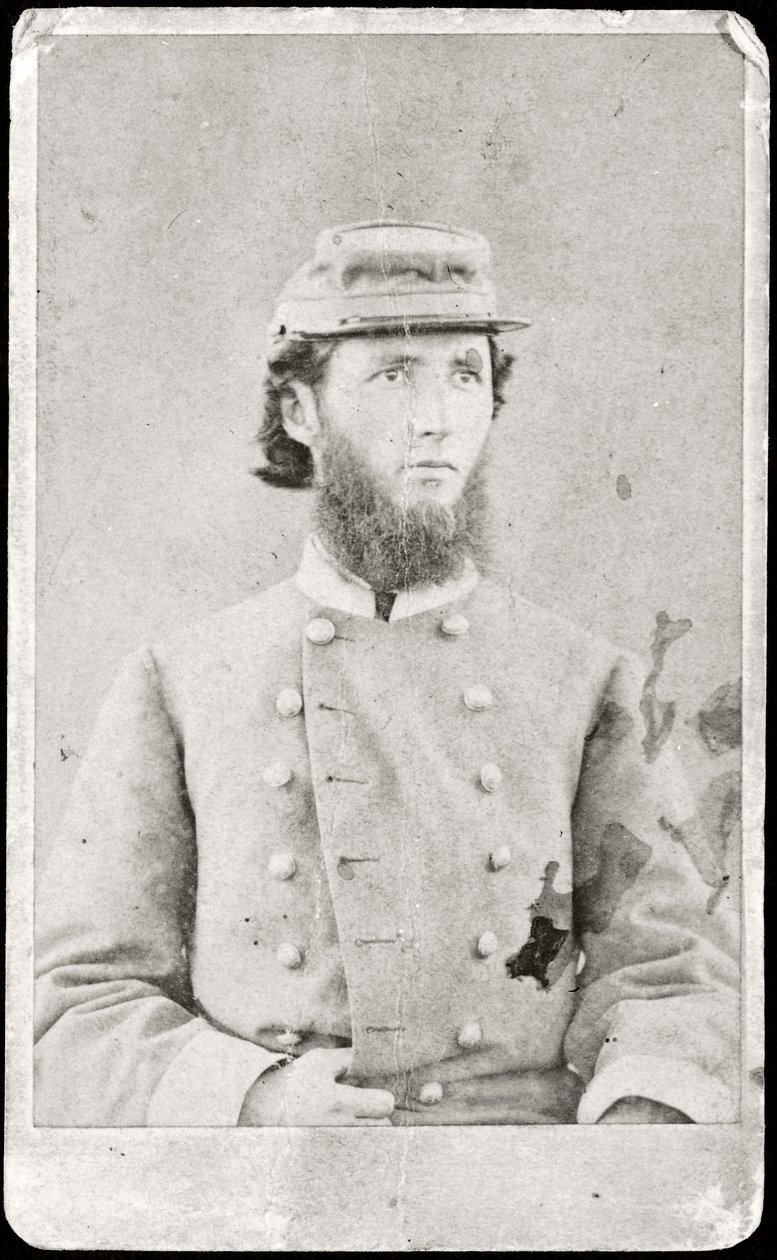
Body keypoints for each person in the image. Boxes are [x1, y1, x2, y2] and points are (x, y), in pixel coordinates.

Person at [34, 221, 739, 1127]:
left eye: (464, 375)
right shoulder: (178, 682)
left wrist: (641, 1111)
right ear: (302, 411)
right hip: (268, 1173)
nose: (435, 416)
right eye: (394, 375)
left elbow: (673, 970)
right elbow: (77, 1000)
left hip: (520, 1172)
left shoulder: (587, 680)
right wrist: (252, 1096)